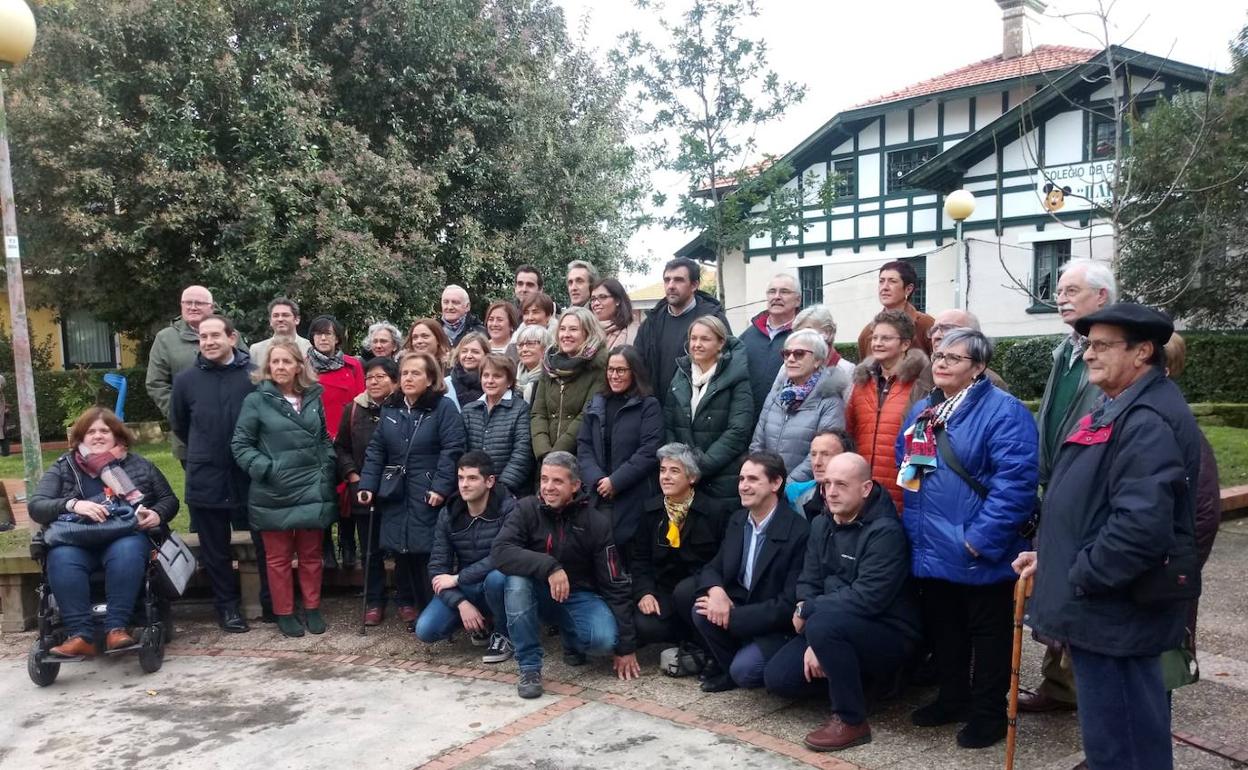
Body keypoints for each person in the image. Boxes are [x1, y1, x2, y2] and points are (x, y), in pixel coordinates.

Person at [1014, 304, 1200, 770]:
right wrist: (1053, 559)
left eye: (1101, 346)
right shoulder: (1121, 405)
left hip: (1116, 613)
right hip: (1104, 610)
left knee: (1125, 748)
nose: (1089, 355)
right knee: (1114, 741)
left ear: (1142, 352)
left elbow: (1140, 527)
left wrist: (1082, 574)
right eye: (1087, 345)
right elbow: (1093, 506)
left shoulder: (1146, 418)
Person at [896, 328, 1038, 749]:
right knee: (945, 630)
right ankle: (952, 698)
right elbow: (908, 469)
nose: (940, 363)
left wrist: (981, 539)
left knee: (989, 636)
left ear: (978, 368)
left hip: (977, 548)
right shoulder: (924, 410)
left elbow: (1016, 484)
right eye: (938, 355)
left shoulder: (1004, 412)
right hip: (931, 544)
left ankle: (989, 713)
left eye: (953, 358)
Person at [763, 453, 921, 752]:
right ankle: (856, 680)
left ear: (865, 488)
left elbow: (868, 598)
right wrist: (815, 636)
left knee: (824, 626)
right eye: (826, 484)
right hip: (834, 623)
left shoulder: (885, 532)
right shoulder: (822, 523)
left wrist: (810, 614)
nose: (831, 492)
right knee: (778, 679)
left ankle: (851, 719)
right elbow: (808, 580)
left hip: (889, 631)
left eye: (841, 485)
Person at [1020, 257, 1117, 714]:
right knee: (1053, 585)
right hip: (1058, 477)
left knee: (1079, 589)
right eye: (1059, 289)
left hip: (1092, 483)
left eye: (1072, 289)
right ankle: (1059, 685)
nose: (1060, 296)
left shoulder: (1114, 351)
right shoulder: (1067, 349)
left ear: (1101, 297)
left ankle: (1090, 696)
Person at [29, 408, 179, 657]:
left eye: (104, 431)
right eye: (90, 431)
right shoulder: (64, 468)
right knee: (61, 558)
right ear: (80, 437)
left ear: (117, 435)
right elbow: (37, 505)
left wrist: (157, 514)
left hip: (124, 535)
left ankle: (116, 629)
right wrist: (73, 504)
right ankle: (80, 635)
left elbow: (168, 500)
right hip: (76, 539)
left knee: (128, 550)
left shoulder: (138, 464)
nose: (97, 436)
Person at [492, 451, 640, 699]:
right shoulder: (526, 508)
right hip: (535, 591)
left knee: (604, 641)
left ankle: (571, 638)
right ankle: (529, 666)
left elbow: (615, 583)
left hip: (578, 594)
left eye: (557, 481)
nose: (548, 487)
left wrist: (626, 646)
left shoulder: (597, 522)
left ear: (575, 486)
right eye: (544, 479)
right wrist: (550, 566)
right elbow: (500, 551)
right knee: (506, 581)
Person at [231, 339, 337, 638]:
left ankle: (313, 608)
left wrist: (327, 465)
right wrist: (266, 469)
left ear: (298, 367)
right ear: (267, 366)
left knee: (311, 555)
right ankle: (284, 612)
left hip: (311, 487)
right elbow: (240, 445)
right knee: (277, 559)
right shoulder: (256, 400)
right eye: (274, 362)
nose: (280, 367)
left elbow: (323, 439)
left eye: (286, 362)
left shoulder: (314, 396)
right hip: (274, 490)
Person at [171, 315, 266, 632]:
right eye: (203, 337)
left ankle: (271, 603)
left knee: (265, 542)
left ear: (232, 338)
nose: (209, 342)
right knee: (215, 550)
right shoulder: (185, 381)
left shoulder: (255, 376)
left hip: (249, 474)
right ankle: (227, 609)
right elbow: (181, 424)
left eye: (215, 336)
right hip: (206, 474)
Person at [357, 351, 466, 625]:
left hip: (427, 490)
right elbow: (377, 449)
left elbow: (453, 450)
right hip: (396, 490)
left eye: (416, 373)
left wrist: (441, 487)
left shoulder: (444, 408)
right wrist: (368, 483)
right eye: (405, 373)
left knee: (427, 551)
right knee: (401, 548)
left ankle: (437, 611)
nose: (408, 378)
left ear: (430, 379)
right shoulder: (391, 408)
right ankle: (410, 605)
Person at [692, 451, 811, 693]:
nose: (744, 486)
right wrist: (716, 593)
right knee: (702, 608)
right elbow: (713, 567)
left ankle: (738, 665)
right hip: (743, 605)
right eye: (741, 479)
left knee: (745, 671)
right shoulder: (738, 520)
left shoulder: (798, 531)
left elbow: (788, 603)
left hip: (776, 624)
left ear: (776, 483)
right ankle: (727, 668)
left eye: (753, 480)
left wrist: (735, 618)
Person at [417, 452, 516, 665]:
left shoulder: (508, 509)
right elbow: (437, 567)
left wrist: (458, 578)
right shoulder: (449, 513)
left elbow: (504, 555)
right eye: (460, 478)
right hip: (466, 588)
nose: (464, 485)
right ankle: (481, 623)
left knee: (498, 577)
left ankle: (504, 633)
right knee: (426, 630)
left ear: (490, 481)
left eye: (472, 478)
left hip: (496, 582)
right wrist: (461, 603)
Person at [629, 443, 727, 647]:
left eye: (674, 471)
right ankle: (684, 636)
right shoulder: (651, 510)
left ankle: (699, 639)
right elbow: (640, 558)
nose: (665, 476)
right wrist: (644, 592)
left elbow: (723, 559)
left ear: (692, 477)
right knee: (645, 626)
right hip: (663, 589)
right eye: (662, 470)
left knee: (685, 594)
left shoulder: (715, 511)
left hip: (699, 588)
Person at [1164, 333, 1221, 649]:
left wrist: (1173, 575)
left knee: (1158, 678)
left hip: (1159, 584)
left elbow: (1204, 513)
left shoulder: (1177, 425)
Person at [576, 345, 662, 550]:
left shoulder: (648, 406)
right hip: (598, 493)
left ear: (634, 372)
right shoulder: (596, 402)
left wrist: (615, 482)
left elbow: (650, 450)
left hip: (634, 494)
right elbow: (584, 445)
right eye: (610, 369)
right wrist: (598, 480)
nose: (614, 375)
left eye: (621, 370)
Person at [334, 355, 399, 626]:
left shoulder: (402, 408)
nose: (373, 382)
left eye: (380, 377)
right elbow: (341, 447)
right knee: (370, 551)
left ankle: (406, 598)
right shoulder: (353, 409)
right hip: (363, 490)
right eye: (369, 377)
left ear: (394, 382)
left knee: (401, 547)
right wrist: (352, 474)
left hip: (397, 490)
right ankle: (374, 600)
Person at [846, 309, 933, 510]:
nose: (877, 343)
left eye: (885, 338)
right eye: (874, 337)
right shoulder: (861, 383)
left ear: (905, 344)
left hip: (902, 490)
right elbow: (849, 431)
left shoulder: (920, 385)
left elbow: (922, 443)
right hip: (863, 489)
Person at [664, 316, 753, 506]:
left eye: (705, 339)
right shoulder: (681, 374)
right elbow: (669, 422)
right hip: (684, 480)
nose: (697, 344)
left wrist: (699, 466)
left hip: (721, 479)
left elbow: (738, 431)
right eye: (693, 338)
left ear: (721, 343)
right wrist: (681, 466)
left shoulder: (737, 377)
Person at [750, 329, 849, 487]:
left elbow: (822, 456)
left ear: (817, 360)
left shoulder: (830, 402)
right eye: (786, 353)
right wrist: (763, 481)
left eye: (799, 353)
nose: (790, 359)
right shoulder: (776, 395)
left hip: (804, 492)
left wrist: (786, 486)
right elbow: (757, 443)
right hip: (768, 488)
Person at [307, 314, 367, 569]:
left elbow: (362, 400)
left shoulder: (353, 365)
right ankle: (326, 549)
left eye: (328, 333)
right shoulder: (303, 367)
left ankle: (348, 544)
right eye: (319, 333)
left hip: (346, 439)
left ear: (337, 338)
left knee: (347, 495)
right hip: (315, 441)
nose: (323, 337)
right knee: (322, 495)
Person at [635, 257, 731, 405]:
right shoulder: (651, 323)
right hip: (655, 410)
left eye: (678, 280)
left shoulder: (714, 320)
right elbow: (637, 366)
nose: (671, 285)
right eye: (667, 280)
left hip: (696, 414)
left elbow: (728, 367)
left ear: (694, 285)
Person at [146, 284, 222, 463]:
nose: (192, 307)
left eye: (198, 303)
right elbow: (156, 383)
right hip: (189, 434)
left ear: (211, 307)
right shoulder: (165, 338)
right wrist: (179, 414)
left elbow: (246, 372)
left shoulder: (229, 333)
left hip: (229, 430)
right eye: (188, 302)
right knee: (200, 487)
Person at [530, 306, 607, 460]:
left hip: (578, 456)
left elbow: (585, 416)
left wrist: (557, 454)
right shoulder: (549, 365)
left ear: (588, 332)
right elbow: (538, 413)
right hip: (544, 457)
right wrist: (543, 451)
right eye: (563, 329)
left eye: (573, 329)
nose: (566, 335)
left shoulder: (599, 369)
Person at [462, 354, 533, 498]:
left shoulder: (520, 409)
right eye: (485, 375)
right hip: (473, 491)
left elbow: (522, 453)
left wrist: (501, 488)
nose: (490, 381)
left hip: (508, 493)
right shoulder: (469, 409)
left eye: (497, 376)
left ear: (509, 381)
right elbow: (462, 450)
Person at [739, 274, 802, 418]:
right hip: (747, 420)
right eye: (772, 291)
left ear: (797, 300)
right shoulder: (748, 336)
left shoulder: (804, 336)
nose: (777, 296)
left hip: (788, 419)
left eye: (784, 292)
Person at [856, 261, 934, 357]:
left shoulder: (926, 325)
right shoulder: (867, 332)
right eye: (881, 281)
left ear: (908, 289)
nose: (884, 287)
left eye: (892, 281)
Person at [779, 304, 854, 401]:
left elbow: (849, 410)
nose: (801, 338)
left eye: (807, 332)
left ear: (828, 332)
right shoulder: (787, 367)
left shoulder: (845, 370)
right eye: (797, 333)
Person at [785, 429, 855, 519]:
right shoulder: (795, 494)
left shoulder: (863, 500)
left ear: (847, 458)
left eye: (826, 454)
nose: (817, 463)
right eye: (813, 455)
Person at [928, 309, 1006, 390]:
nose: (936, 336)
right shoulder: (924, 376)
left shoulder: (993, 385)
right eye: (934, 329)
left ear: (974, 336)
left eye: (947, 328)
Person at [405, 318, 460, 410]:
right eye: (415, 337)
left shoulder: (452, 369)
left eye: (425, 336)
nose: (419, 341)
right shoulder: (405, 369)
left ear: (438, 339)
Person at [249, 297, 311, 368]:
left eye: (285, 315)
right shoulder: (256, 350)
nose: (280, 319)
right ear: (270, 321)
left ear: (297, 320)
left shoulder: (309, 348)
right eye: (276, 316)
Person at [590, 278, 638, 350]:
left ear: (617, 300)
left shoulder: (635, 332)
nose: (596, 303)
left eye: (603, 297)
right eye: (593, 299)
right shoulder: (586, 331)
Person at [513, 323, 553, 405]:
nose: (524, 349)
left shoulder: (552, 377)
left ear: (545, 347)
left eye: (530, 344)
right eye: (520, 345)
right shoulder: (512, 375)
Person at [449, 331, 490, 405]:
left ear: (486, 354)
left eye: (475, 352)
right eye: (464, 351)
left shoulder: (492, 384)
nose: (468, 356)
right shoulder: (446, 385)